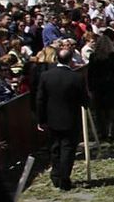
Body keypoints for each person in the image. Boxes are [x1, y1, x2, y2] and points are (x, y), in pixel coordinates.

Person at [35, 49, 89, 190]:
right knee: (68, 149)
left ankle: (56, 175)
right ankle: (63, 178)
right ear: (71, 60)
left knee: (55, 148)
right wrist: (86, 103)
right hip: (71, 119)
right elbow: (85, 99)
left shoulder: (46, 76)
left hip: (52, 119)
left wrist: (41, 120)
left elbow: (40, 100)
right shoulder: (76, 77)